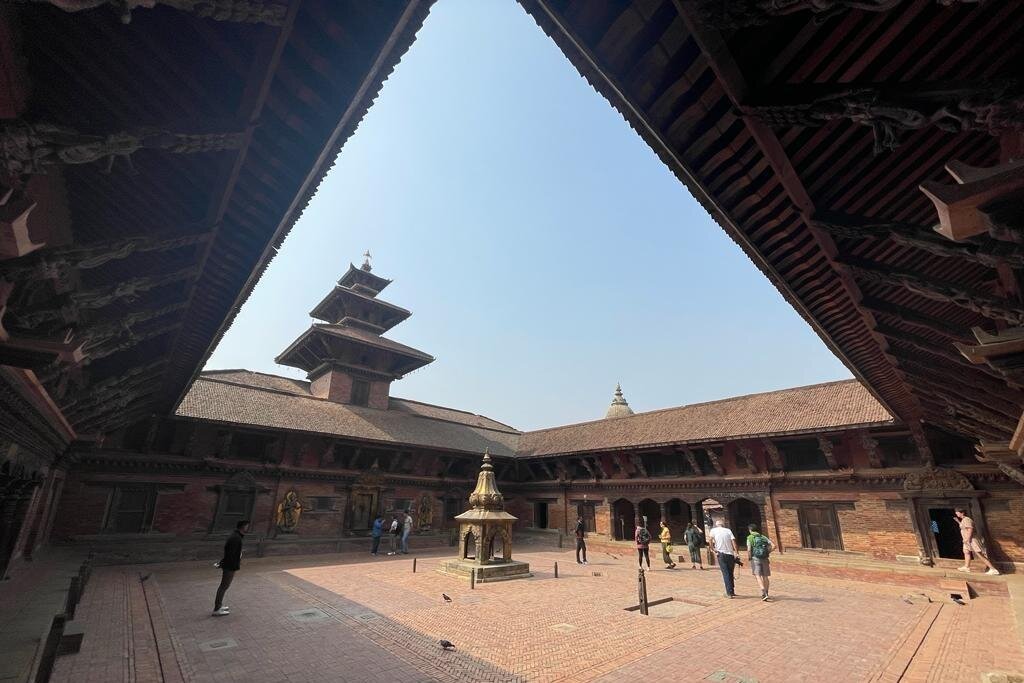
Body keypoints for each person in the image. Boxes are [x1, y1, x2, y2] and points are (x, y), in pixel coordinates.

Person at [212, 519, 249, 616]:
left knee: (224, 586)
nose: (248, 528)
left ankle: (219, 605)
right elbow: (230, 554)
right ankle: (217, 609)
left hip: (229, 565)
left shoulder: (235, 536)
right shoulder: (236, 538)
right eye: (247, 526)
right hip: (230, 566)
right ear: (243, 526)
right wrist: (225, 563)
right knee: (224, 586)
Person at [955, 507, 1000, 575]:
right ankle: (966, 567)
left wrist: (968, 539)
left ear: (962, 513)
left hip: (971, 539)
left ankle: (993, 569)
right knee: (966, 551)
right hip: (966, 540)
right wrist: (958, 522)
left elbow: (970, 529)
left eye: (957, 512)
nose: (956, 514)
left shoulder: (967, 519)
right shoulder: (963, 520)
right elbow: (964, 527)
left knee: (979, 554)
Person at [709, 518, 738, 598]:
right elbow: (733, 541)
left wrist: (712, 549)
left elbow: (710, 540)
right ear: (723, 524)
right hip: (730, 554)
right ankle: (732, 591)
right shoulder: (728, 530)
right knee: (730, 572)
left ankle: (729, 592)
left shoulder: (713, 530)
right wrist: (736, 552)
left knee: (725, 573)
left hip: (721, 554)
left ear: (716, 525)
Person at [746, 524, 774, 601]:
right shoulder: (763, 537)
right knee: (765, 576)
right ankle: (767, 593)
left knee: (758, 575)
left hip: (755, 558)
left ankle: (763, 592)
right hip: (765, 558)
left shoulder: (750, 538)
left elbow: (749, 549)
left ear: (750, 530)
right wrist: (768, 552)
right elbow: (774, 546)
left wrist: (749, 557)